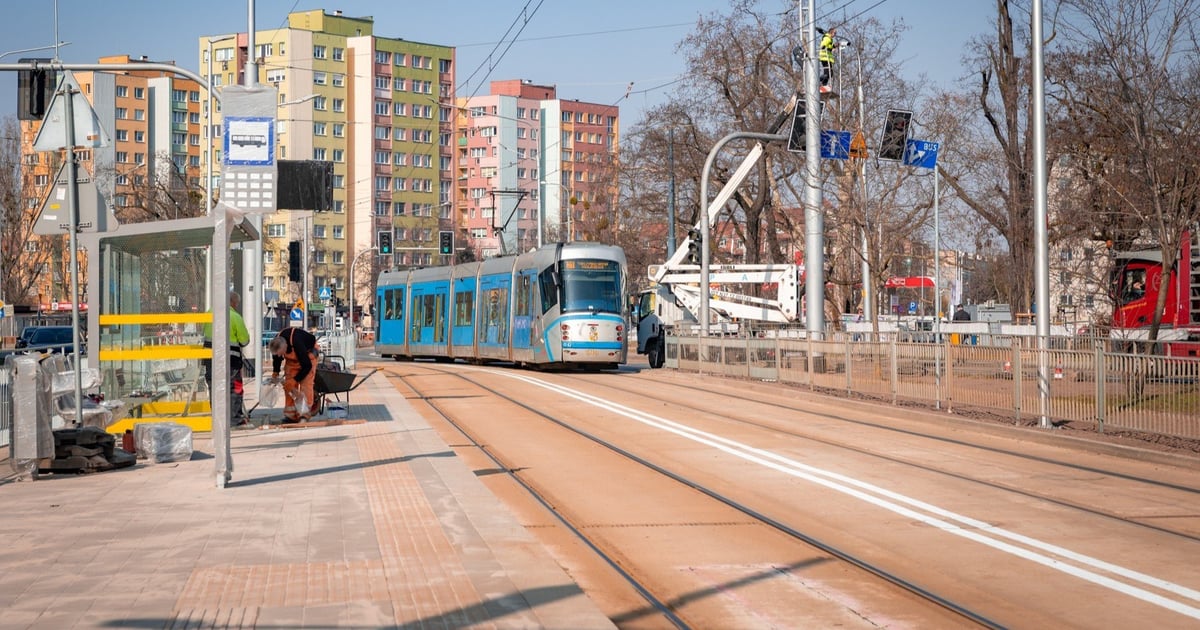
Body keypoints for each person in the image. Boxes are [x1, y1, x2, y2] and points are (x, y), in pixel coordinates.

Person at [203, 291, 252, 425]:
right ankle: (234, 418)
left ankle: (217, 418)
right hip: (231, 361)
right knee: (234, 387)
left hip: (210, 359)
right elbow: (244, 341)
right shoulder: (235, 317)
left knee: (214, 386)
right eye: (236, 304)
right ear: (233, 303)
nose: (236, 306)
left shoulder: (209, 312)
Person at [269, 326, 319, 423]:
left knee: (306, 385)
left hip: (308, 356)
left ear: (285, 347)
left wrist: (295, 379)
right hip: (292, 362)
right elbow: (277, 359)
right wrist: (275, 372)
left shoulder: (297, 342)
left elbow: (307, 366)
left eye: (280, 353)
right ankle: (290, 415)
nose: (279, 356)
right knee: (288, 386)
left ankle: (304, 414)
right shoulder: (276, 342)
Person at [819, 27, 838, 93]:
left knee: (829, 73)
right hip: (825, 57)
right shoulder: (827, 38)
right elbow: (823, 46)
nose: (835, 34)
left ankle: (824, 84)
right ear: (831, 32)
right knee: (828, 73)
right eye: (834, 33)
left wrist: (834, 46)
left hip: (827, 58)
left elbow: (829, 46)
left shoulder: (830, 39)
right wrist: (831, 48)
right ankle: (819, 80)